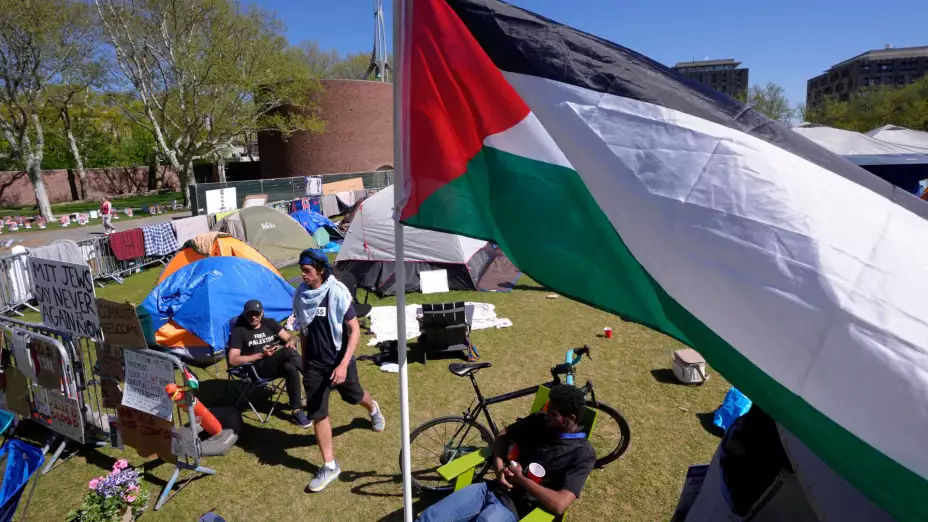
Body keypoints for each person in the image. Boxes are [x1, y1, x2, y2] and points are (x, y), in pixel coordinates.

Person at [416, 385, 596, 522]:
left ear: (570, 419)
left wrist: (520, 479)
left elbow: (559, 504)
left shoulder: (582, 453)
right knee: (429, 517)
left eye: (552, 412)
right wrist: (499, 467)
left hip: (514, 508)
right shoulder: (539, 421)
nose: (546, 413)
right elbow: (503, 435)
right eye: (548, 408)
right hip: (489, 489)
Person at [294, 249, 385, 493]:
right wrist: (304, 360)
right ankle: (330, 465)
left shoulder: (336, 293)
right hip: (314, 365)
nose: (302, 276)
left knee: (354, 396)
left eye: (307, 271)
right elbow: (304, 329)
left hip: (339, 361)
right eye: (302, 271)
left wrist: (344, 364)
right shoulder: (301, 295)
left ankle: (373, 408)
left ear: (320, 271)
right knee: (317, 413)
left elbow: (354, 330)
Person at [227, 299, 310, 428]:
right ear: (244, 314)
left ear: (262, 312)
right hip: (256, 368)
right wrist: (260, 355)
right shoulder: (240, 331)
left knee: (290, 367)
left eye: (257, 313)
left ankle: (296, 410)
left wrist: (290, 342)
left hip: (274, 364)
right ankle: (314, 379)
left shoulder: (269, 323)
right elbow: (232, 360)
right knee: (287, 353)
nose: (254, 317)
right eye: (250, 314)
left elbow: (290, 337)